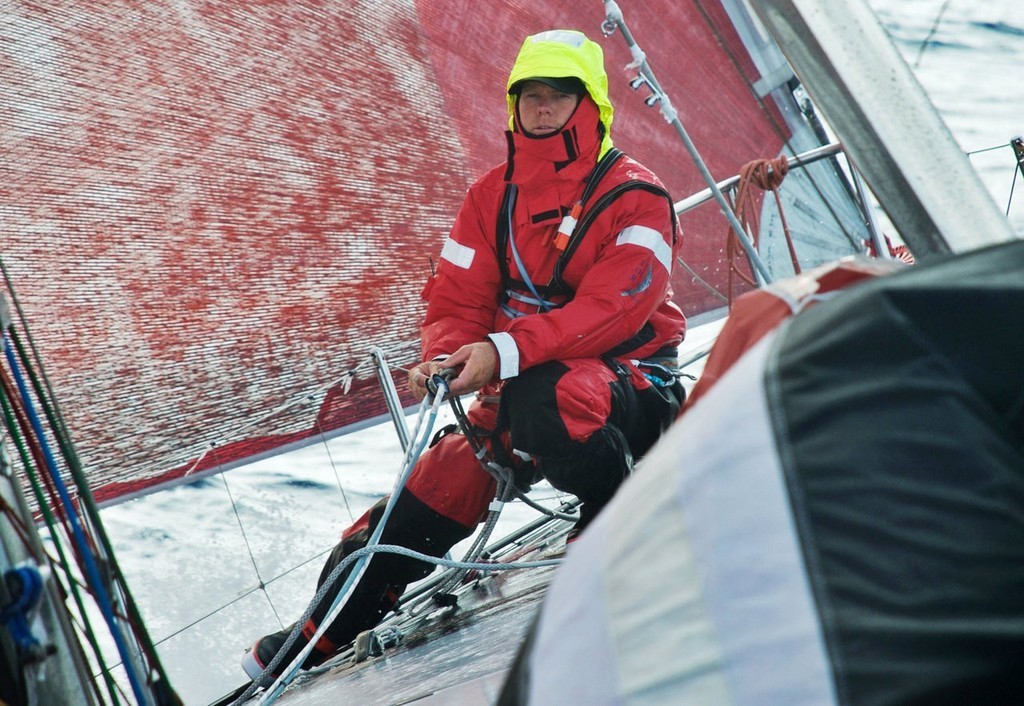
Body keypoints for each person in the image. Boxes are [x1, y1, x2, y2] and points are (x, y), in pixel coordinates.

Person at [242, 28, 686, 680]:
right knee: (420, 498)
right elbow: (457, 298)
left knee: (549, 399)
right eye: (529, 94)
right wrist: (446, 356)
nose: (542, 107)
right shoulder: (489, 197)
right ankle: (313, 638)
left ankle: (614, 513)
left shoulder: (637, 197)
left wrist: (500, 352)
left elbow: (611, 312)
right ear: (514, 105)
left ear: (589, 102)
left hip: (629, 385)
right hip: (518, 385)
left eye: (559, 95)